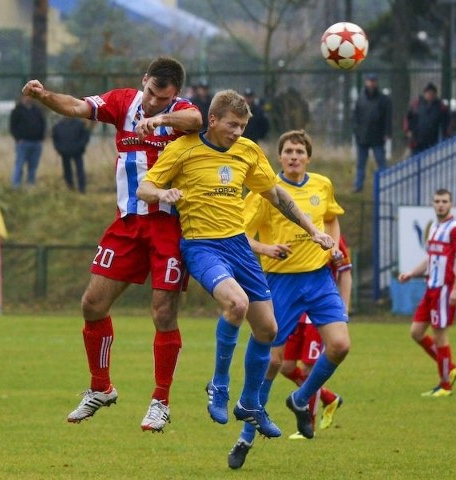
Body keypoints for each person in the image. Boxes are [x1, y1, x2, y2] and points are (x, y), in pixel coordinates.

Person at [136, 93, 334, 442]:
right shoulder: (183, 148)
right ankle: (220, 385)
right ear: (212, 120)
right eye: (232, 124)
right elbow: (145, 186)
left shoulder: (247, 151)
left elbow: (278, 196)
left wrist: (314, 231)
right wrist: (161, 195)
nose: (238, 132)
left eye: (243, 126)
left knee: (268, 330)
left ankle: (250, 403)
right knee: (236, 304)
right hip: (202, 246)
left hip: (239, 246)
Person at [22, 56, 203, 432]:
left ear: (176, 94)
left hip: (168, 225)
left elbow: (196, 121)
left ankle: (160, 401)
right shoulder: (123, 102)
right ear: (144, 81)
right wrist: (43, 96)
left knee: (163, 313)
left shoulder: (181, 112)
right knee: (92, 304)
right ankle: (101, 387)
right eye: (151, 93)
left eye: (162, 97)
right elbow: (76, 106)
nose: (153, 102)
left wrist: (161, 119)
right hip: (127, 223)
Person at [227, 129, 350, 469]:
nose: (294, 156)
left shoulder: (322, 185)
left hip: (319, 279)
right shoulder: (264, 193)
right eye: (288, 151)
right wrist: (268, 248)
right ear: (279, 158)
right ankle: (245, 438)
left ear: (308, 157)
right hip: (279, 283)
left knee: (340, 345)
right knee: (272, 363)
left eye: (299, 151)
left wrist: (334, 245)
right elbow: (238, 235)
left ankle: (300, 398)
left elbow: (331, 220)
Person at [280, 234, 352, 439]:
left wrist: (343, 309)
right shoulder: (289, 229)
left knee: (310, 367)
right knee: (287, 367)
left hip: (318, 315)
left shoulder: (330, 235)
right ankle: (328, 397)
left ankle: (307, 424)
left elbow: (346, 271)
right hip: (295, 311)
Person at [398, 188, 456, 397]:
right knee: (416, 332)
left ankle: (445, 385)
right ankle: (451, 368)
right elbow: (431, 258)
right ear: (433, 204)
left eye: (444, 201)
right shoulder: (436, 227)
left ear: (451, 204)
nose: (440, 205)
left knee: (440, 337)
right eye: (437, 201)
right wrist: (412, 273)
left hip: (445, 290)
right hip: (431, 288)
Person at [352, 73, 392, 193]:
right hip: (363, 137)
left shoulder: (383, 100)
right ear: (366, 82)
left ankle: (385, 185)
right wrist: (356, 132)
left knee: (381, 162)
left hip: (377, 136)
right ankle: (358, 186)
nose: (372, 83)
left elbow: (387, 118)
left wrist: (387, 133)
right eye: (370, 81)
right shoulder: (361, 99)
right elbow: (355, 117)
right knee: (361, 164)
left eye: (374, 81)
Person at [403, 82, 452, 155]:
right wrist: (408, 131)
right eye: (428, 93)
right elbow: (407, 118)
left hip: (433, 142)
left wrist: (446, 135)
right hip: (416, 141)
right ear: (424, 93)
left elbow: (447, 122)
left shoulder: (441, 107)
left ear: (435, 94)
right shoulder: (416, 104)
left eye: (432, 93)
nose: (430, 95)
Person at [9, 94, 46, 188]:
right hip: (23, 143)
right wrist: (18, 139)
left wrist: (41, 138)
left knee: (33, 166)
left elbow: (42, 124)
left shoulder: (37, 110)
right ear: (22, 97)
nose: (28, 98)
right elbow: (12, 127)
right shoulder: (17, 110)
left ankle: (30, 184)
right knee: (20, 164)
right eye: (26, 96)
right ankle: (16, 185)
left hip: (36, 143)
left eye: (30, 96)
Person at [52, 116, 91, 193]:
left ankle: (82, 189)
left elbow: (85, 136)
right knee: (67, 171)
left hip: (77, 152)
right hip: (65, 152)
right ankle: (70, 187)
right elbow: (55, 138)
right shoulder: (58, 125)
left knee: (80, 170)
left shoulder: (79, 124)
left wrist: (80, 146)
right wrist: (60, 149)